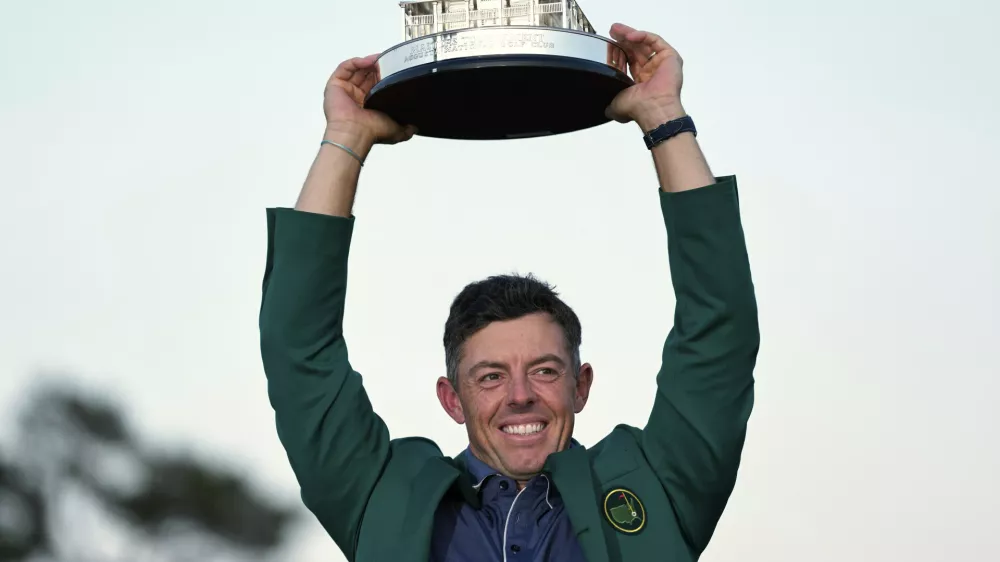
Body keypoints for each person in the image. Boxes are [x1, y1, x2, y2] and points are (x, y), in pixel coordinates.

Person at [259, 22, 759, 562]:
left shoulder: (655, 484)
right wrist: (346, 139)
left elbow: (719, 336)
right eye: (491, 376)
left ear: (580, 386)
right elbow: (298, 351)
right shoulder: (385, 494)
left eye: (545, 370)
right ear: (452, 399)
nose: (520, 395)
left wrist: (664, 116)